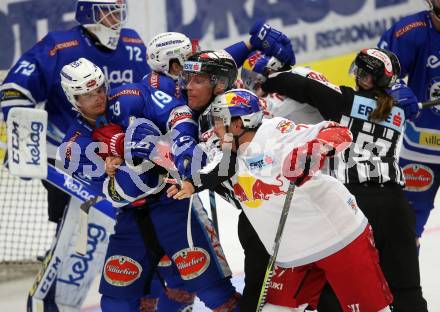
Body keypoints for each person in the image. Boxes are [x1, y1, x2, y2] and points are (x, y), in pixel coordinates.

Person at [168, 88, 395, 311]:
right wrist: (190, 184)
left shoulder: (276, 132)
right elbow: (220, 168)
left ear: (238, 124)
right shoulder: (227, 149)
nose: (214, 129)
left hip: (338, 238)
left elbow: (338, 132)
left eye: (219, 121)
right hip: (292, 253)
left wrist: (313, 150)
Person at [0, 1, 152, 310]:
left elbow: (149, 93)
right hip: (66, 159)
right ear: (87, 13)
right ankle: (52, 298)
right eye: (107, 11)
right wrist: (22, 140)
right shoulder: (60, 46)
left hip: (118, 160)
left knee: (126, 231)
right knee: (77, 238)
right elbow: (14, 92)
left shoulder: (134, 42)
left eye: (119, 10)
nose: (115, 19)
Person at [59, 57, 241, 311]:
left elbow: (178, 113)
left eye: (100, 89)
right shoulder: (73, 145)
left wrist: (184, 144)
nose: (99, 97)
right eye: (88, 95)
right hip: (131, 218)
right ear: (73, 99)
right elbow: (119, 191)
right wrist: (127, 153)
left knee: (216, 295)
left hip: (174, 204)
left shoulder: (132, 96)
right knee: (116, 304)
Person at [256, 48, 428, 312]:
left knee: (337, 291)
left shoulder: (342, 100)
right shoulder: (400, 110)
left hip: (353, 205)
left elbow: (296, 85)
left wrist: (268, 73)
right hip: (395, 206)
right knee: (407, 291)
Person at [378, 0, 440, 249]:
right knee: (403, 232)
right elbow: (374, 69)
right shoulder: (411, 30)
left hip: (420, 147)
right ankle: (402, 288)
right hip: (421, 148)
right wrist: (395, 88)